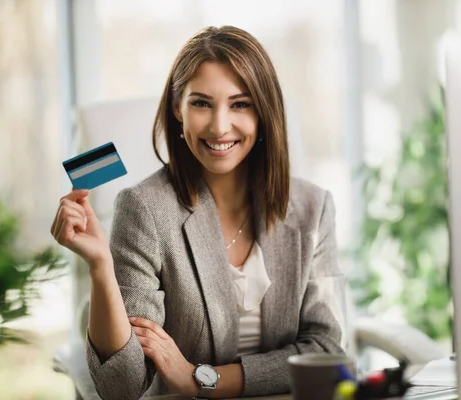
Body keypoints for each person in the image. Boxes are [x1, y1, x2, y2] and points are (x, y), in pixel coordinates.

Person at [51, 25, 345, 400]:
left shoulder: (313, 208)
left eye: (240, 104)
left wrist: (202, 379)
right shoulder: (144, 210)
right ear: (178, 108)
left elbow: (326, 351)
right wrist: (100, 265)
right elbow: (120, 387)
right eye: (201, 103)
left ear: (264, 113)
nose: (219, 126)